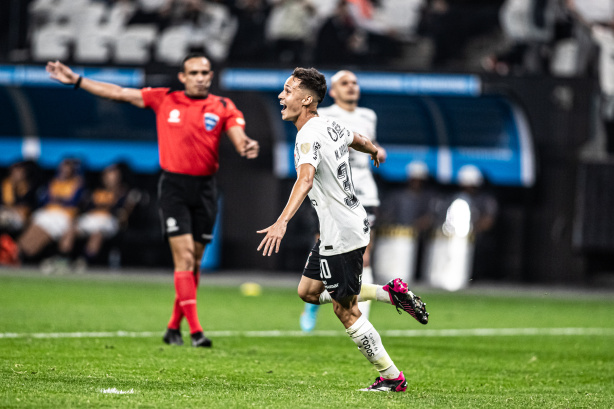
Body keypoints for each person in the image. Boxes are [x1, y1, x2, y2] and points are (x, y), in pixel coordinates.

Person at [46, 52, 259, 348]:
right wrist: (78, 80)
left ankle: (173, 327)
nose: (200, 77)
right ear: (182, 77)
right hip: (174, 186)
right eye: (194, 73)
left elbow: (238, 136)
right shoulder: (164, 99)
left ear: (211, 76)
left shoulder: (223, 106)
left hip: (206, 190)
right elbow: (119, 92)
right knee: (184, 258)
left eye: (205, 72)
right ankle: (196, 332)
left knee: (194, 262)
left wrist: (246, 144)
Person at [257, 67, 428, 392]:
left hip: (340, 232)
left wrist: (281, 222)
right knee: (307, 292)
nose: (282, 95)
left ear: (307, 99)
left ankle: (392, 378)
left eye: (288, 90)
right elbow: (361, 140)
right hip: (349, 222)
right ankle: (389, 293)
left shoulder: (308, 134)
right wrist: (374, 151)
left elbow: (305, 180)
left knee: (344, 309)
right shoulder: (329, 124)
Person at [299, 70, 386, 332]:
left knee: (364, 254)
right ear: (333, 91)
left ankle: (362, 315)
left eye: (354, 83)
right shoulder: (325, 116)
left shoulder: (368, 116)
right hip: (334, 193)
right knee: (326, 249)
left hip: (365, 193)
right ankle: (312, 303)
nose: (351, 87)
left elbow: (373, 144)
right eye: (344, 84)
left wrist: (377, 149)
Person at [56, 163, 140, 271]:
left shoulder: (124, 192)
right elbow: (85, 208)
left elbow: (124, 214)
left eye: (113, 174)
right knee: (71, 229)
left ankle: (84, 261)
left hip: (108, 220)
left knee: (97, 233)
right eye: (108, 174)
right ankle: (63, 259)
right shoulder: (95, 191)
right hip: (91, 218)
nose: (110, 178)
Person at [17, 158, 84, 262]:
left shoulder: (77, 183)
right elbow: (45, 200)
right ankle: (15, 253)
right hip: (47, 213)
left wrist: (60, 200)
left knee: (40, 238)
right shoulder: (53, 182)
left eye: (68, 168)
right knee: (31, 233)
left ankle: (25, 258)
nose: (64, 170)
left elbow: (75, 202)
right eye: (63, 167)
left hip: (63, 216)